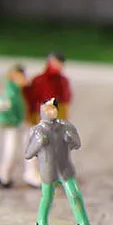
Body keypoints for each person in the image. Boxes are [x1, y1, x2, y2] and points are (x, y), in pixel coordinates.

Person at [24, 97, 98, 225]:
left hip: (65, 168)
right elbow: (28, 154)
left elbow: (77, 144)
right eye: (47, 109)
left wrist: (71, 139)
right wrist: (38, 143)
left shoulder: (66, 127)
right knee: (47, 197)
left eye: (53, 108)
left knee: (75, 194)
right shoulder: (36, 131)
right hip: (48, 170)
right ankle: (41, 222)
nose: (51, 112)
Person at [22, 54, 71, 187]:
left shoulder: (62, 81)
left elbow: (65, 101)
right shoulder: (39, 80)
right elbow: (31, 99)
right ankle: (32, 173)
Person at [0, 62, 27, 187]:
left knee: (13, 150)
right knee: (10, 151)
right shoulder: (10, 94)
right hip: (12, 126)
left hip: (17, 124)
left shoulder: (17, 92)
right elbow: (0, 110)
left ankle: (4, 175)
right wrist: (11, 121)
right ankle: (3, 176)